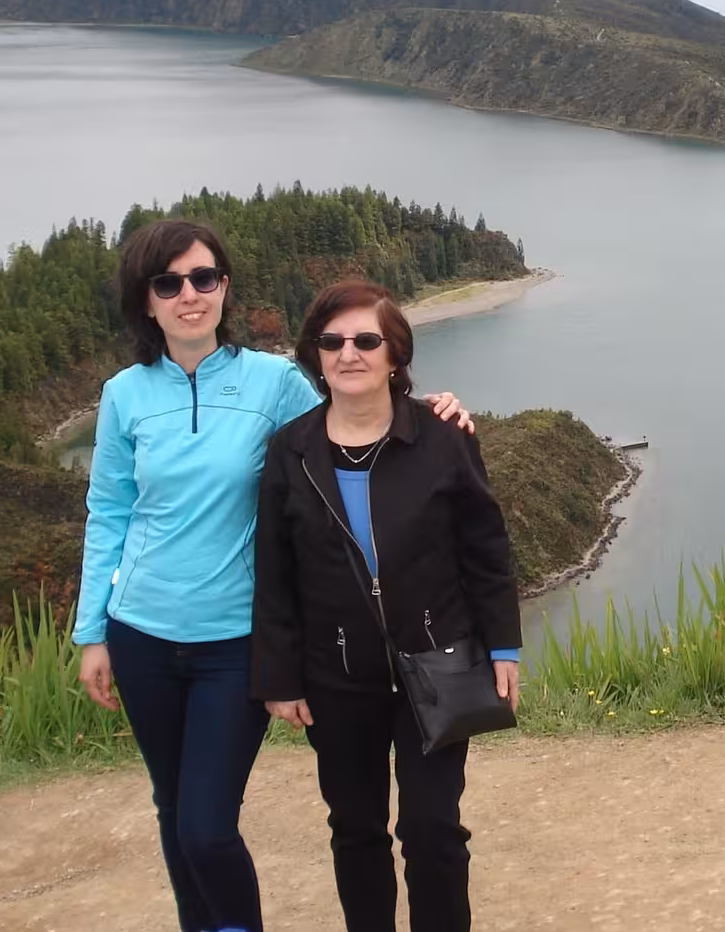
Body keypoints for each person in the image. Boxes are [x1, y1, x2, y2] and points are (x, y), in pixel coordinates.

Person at [72, 220, 474, 932]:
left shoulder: (274, 382)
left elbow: (358, 422)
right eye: (168, 283)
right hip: (140, 634)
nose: (188, 295)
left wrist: (436, 409)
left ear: (224, 287)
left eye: (203, 278)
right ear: (146, 301)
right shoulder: (124, 396)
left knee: (205, 824)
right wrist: (93, 631)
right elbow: (109, 511)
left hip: (234, 640)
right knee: (175, 809)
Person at [251, 279, 521, 932]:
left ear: (395, 355)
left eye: (366, 340)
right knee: (356, 828)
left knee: (432, 829)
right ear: (315, 356)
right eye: (332, 341)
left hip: (440, 662)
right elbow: (276, 573)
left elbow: (485, 546)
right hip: (336, 676)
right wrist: (279, 678)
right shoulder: (291, 452)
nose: (349, 353)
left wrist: (504, 646)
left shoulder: (443, 435)